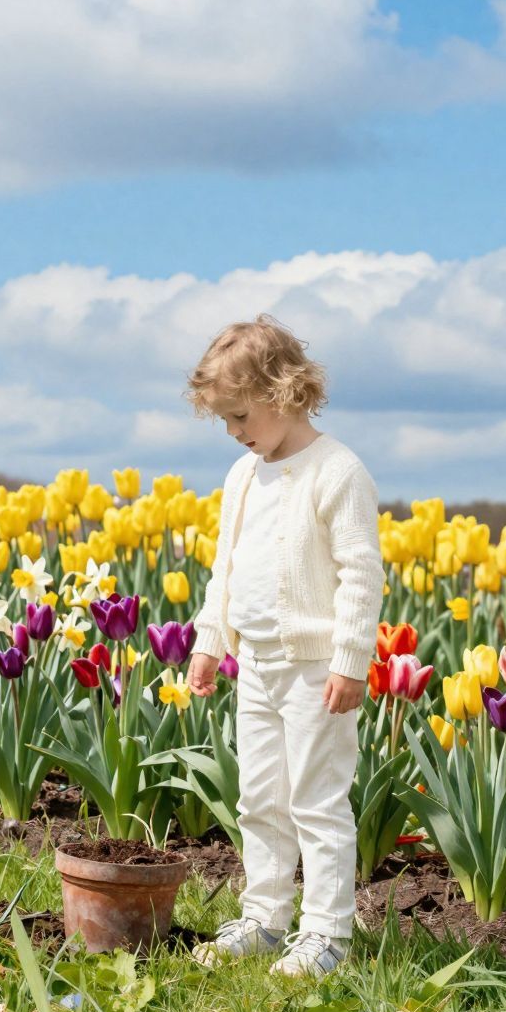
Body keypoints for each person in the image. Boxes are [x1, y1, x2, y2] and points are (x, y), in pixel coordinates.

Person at [183, 315, 383, 978]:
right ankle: (265, 919)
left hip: (315, 670)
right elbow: (225, 568)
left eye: (240, 415)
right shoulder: (243, 477)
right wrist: (210, 641)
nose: (234, 431)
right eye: (224, 420)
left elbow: (361, 575)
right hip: (257, 666)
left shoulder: (337, 471)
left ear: (283, 391)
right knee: (259, 798)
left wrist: (350, 661)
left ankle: (327, 934)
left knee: (317, 802)